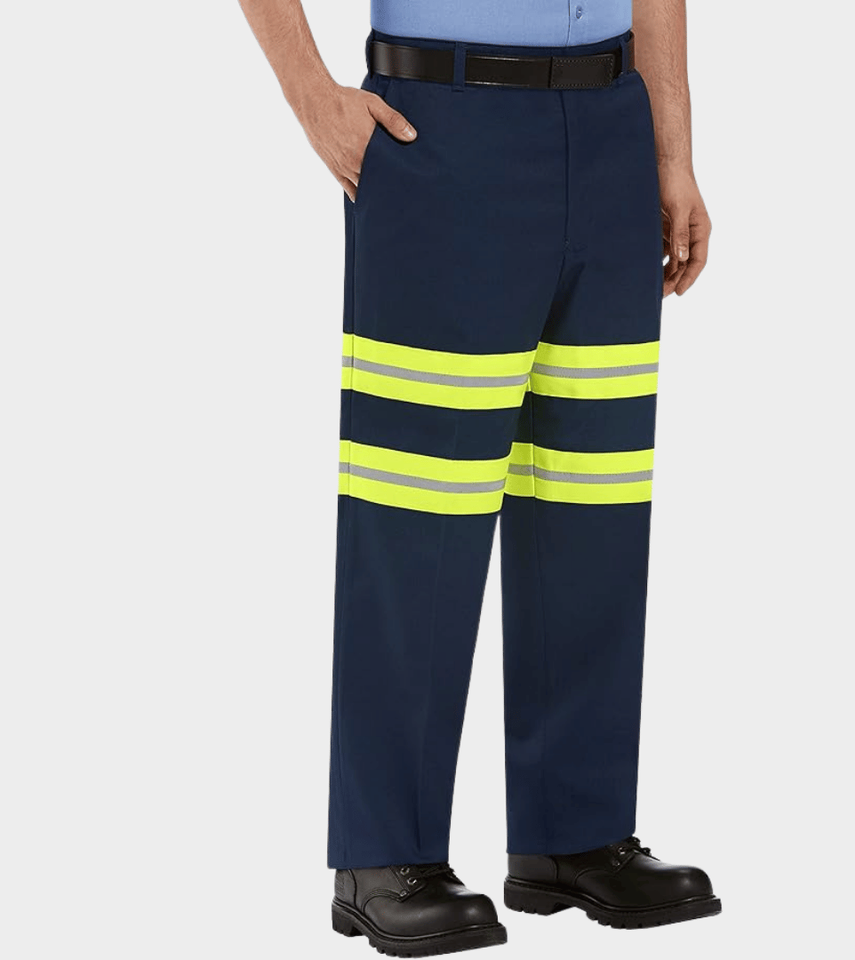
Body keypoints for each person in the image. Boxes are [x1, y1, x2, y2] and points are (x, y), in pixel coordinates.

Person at [238, 0, 717, 954]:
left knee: (591, 505)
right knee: (418, 514)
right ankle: (383, 855)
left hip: (611, 125)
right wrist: (310, 95)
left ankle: (574, 834)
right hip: (443, 126)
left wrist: (672, 151)